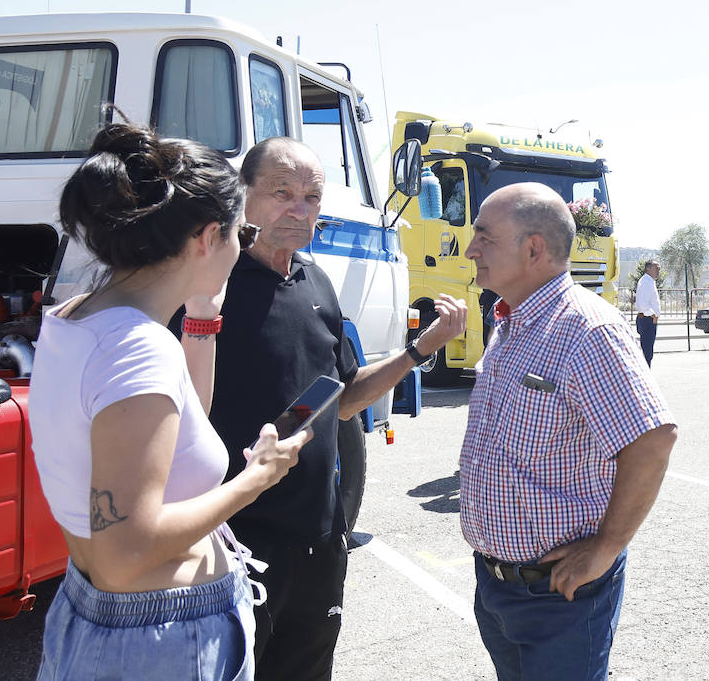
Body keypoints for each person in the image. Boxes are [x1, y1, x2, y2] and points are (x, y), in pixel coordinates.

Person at [177, 136, 465, 681]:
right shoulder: (208, 286)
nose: (299, 208)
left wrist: (417, 350)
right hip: (235, 543)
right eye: (281, 192)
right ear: (242, 197)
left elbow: (343, 397)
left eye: (311, 196)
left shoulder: (315, 283)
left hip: (316, 540)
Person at [30, 122, 309, 680]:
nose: (242, 247)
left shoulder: (78, 316)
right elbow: (125, 551)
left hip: (113, 624)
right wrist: (256, 479)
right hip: (159, 639)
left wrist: (202, 316)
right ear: (208, 238)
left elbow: (178, 427)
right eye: (240, 234)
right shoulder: (137, 348)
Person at [460, 182, 678, 681]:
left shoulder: (587, 329)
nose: (471, 250)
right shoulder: (509, 322)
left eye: (485, 238)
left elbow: (652, 440)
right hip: (499, 586)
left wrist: (604, 549)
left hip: (560, 596)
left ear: (533, 248)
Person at [634, 259, 661, 365]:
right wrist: (653, 315)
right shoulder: (646, 282)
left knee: (647, 352)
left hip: (648, 319)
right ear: (648, 269)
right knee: (647, 354)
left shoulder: (649, 281)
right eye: (656, 268)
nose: (658, 271)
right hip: (647, 319)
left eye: (659, 269)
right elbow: (644, 304)